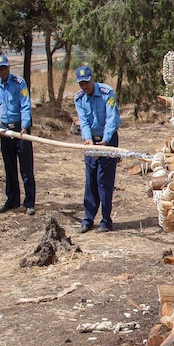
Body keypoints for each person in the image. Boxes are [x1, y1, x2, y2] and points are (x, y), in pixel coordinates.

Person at [73, 65, 121, 233]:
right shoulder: (79, 98)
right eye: (81, 84)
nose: (84, 87)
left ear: (92, 78)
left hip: (108, 139)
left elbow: (111, 118)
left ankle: (106, 220)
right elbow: (83, 121)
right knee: (90, 179)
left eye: (86, 82)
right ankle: (88, 219)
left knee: (104, 181)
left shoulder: (107, 93)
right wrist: (87, 139)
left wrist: (106, 141)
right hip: (91, 141)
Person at [0, 54, 36, 215]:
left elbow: (25, 105)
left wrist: (24, 126)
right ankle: (12, 201)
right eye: (0, 69)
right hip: (4, 131)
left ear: (9, 68)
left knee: (26, 168)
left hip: (20, 131)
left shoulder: (19, 83)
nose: (3, 71)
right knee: (9, 167)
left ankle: (29, 202)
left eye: (5, 68)